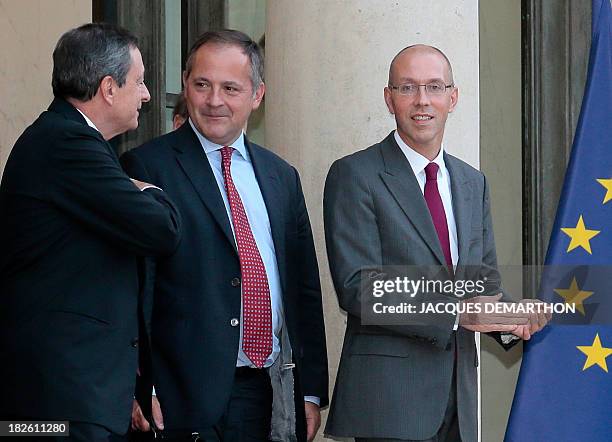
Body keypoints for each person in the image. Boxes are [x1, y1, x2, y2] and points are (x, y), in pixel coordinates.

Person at [323, 45, 549, 442]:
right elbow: (360, 288)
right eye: (408, 87)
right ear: (389, 98)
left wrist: (512, 317)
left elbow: (481, 286)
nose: (422, 100)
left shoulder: (471, 182)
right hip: (389, 403)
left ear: (453, 97)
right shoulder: (354, 175)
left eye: (434, 87)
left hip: (459, 402)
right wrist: (456, 312)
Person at [121, 30, 328, 442]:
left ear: (257, 95)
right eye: (202, 85)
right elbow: (132, 289)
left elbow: (303, 288)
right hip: (179, 397)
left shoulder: (281, 177)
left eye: (230, 88)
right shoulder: (145, 167)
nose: (215, 100)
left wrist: (310, 389)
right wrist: (140, 385)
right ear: (186, 85)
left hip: (263, 392)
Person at [0, 23, 182, 441]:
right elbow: (161, 230)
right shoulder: (68, 144)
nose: (147, 94)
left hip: (73, 391)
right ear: (107, 88)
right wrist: (151, 190)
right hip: (60, 397)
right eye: (139, 82)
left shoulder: (67, 141)